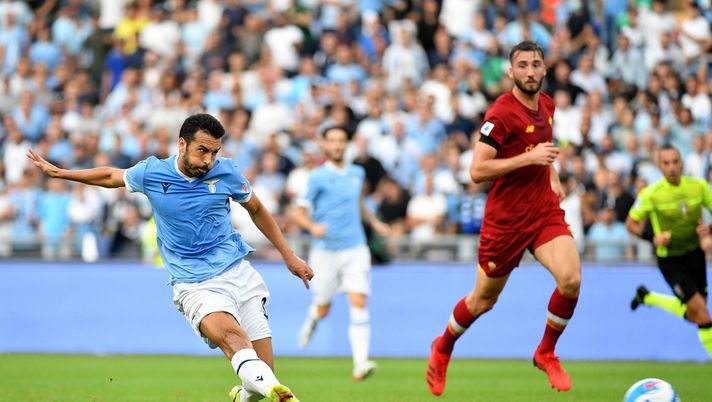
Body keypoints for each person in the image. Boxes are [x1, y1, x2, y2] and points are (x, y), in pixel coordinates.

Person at [27, 113, 313, 402]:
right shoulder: (153, 173)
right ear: (182, 144)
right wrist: (62, 173)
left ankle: (248, 394)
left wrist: (289, 256)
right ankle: (286, 398)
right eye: (202, 151)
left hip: (239, 272)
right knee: (234, 339)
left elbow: (257, 209)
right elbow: (111, 175)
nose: (208, 161)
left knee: (261, 376)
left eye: (215, 152)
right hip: (195, 284)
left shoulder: (227, 172)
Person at [426, 40, 581, 396]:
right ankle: (444, 345)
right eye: (523, 65)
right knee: (483, 300)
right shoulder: (501, 114)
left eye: (536, 64)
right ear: (511, 72)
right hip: (506, 221)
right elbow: (477, 170)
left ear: (545, 69)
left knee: (570, 279)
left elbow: (543, 150)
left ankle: (546, 352)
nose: (530, 71)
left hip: (542, 211)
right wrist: (529, 159)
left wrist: (552, 176)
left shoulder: (547, 104)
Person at [291, 125, 390, 380]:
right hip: (326, 252)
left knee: (359, 301)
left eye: (341, 140)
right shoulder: (317, 177)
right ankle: (312, 320)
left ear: (347, 144)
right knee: (323, 308)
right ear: (324, 145)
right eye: (332, 141)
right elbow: (298, 212)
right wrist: (312, 226)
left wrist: (375, 222)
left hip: (355, 248)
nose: (336, 145)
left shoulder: (357, 173)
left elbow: (358, 205)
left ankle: (360, 363)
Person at [625, 144, 712, 360]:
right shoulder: (651, 194)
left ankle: (648, 298)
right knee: (703, 314)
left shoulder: (698, 187)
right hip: (670, 260)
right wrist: (652, 238)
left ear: (682, 162)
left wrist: (709, 230)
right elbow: (631, 223)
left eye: (675, 161)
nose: (672, 167)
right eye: (666, 163)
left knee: (694, 313)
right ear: (659, 166)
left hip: (695, 255)